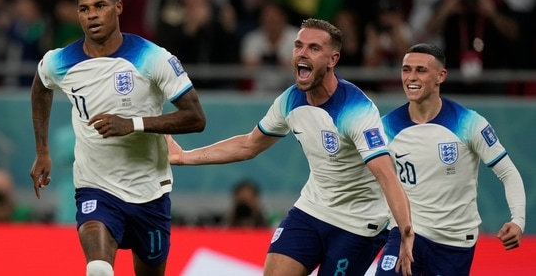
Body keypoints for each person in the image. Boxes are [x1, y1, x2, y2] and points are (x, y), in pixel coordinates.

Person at [166, 18, 414, 276]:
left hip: (359, 223)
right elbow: (248, 145)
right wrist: (184, 157)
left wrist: (405, 232)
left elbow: (386, 175)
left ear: (333, 59)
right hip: (312, 209)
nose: (302, 53)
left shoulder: (356, 110)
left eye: (314, 48)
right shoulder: (290, 100)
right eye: (298, 46)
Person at [29, 0, 206, 276]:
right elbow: (40, 86)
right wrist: (42, 149)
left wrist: (132, 124)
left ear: (118, 7)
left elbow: (196, 118)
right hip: (95, 186)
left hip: (149, 191)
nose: (92, 14)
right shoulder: (61, 61)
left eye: (100, 5)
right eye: (84, 9)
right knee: (98, 268)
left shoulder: (153, 57)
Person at [375, 43, 526, 276]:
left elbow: (508, 173)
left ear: (440, 76)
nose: (411, 77)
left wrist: (518, 220)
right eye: (406, 69)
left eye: (420, 70)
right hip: (406, 232)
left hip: (454, 242)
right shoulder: (385, 127)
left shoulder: (469, 123)